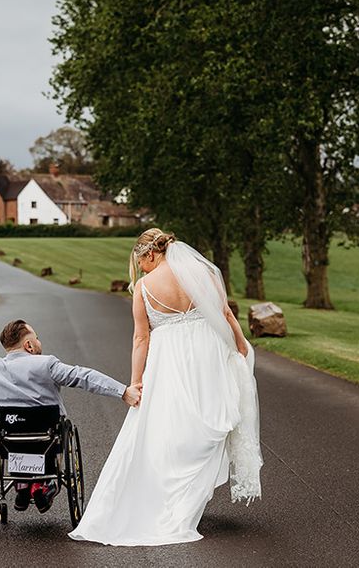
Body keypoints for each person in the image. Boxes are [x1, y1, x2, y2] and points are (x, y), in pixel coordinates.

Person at [69, 229, 262, 546]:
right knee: (207, 420)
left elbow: (141, 339)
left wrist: (135, 381)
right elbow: (225, 312)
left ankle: (172, 499)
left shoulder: (145, 287)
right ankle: (188, 500)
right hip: (208, 354)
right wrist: (241, 344)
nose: (140, 269)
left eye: (139, 262)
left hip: (169, 360)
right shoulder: (202, 273)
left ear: (149, 255)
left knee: (168, 426)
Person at [0, 319, 141, 513]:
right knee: (51, 431)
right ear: (29, 345)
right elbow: (83, 376)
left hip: (6, 438)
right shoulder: (46, 364)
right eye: (37, 337)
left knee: (13, 436)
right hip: (46, 438)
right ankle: (40, 485)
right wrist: (123, 391)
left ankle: (22, 484)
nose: (39, 342)